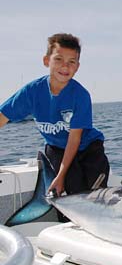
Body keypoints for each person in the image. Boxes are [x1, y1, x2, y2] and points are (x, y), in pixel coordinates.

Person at [0, 33, 110, 198]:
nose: (65, 66)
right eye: (58, 59)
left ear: (77, 66)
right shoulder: (32, 91)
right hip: (56, 147)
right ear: (46, 61)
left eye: (71, 62)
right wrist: (61, 178)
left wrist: (61, 175)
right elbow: (2, 116)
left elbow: (74, 139)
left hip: (88, 146)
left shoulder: (80, 95)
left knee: (97, 192)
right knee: (71, 188)